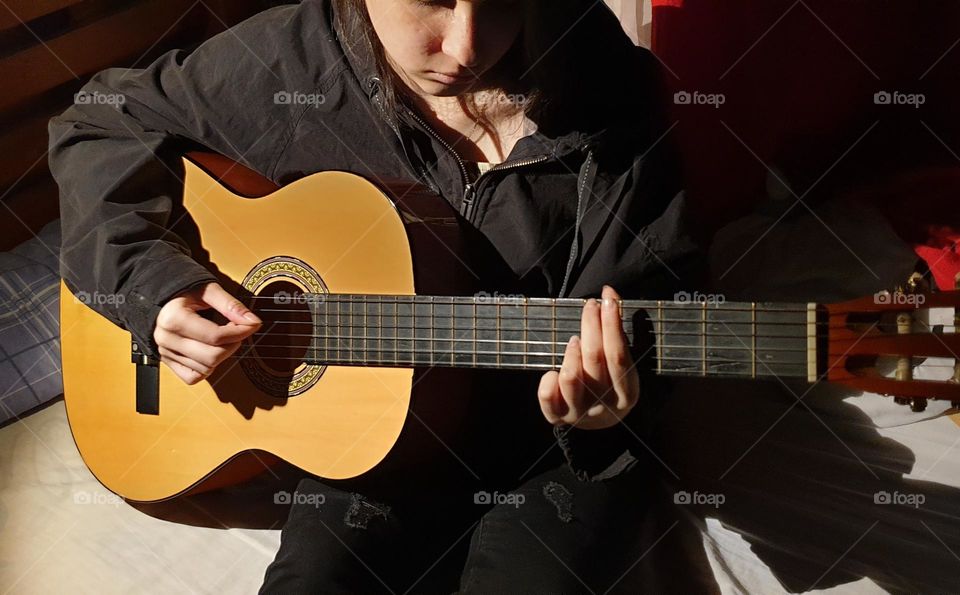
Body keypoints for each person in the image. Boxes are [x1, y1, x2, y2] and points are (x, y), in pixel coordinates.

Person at [50, 0, 700, 591]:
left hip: (546, 449)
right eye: (434, 2)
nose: (467, 46)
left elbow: (651, 287)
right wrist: (152, 287)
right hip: (374, 444)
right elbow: (100, 122)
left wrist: (606, 413)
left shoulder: (613, 86)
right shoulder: (294, 59)